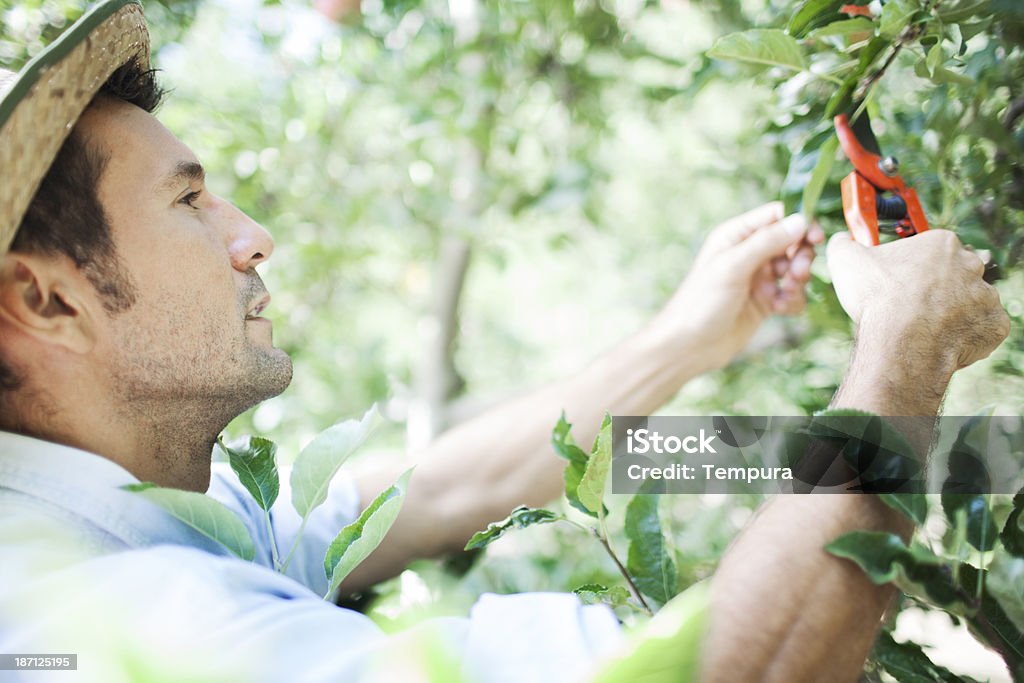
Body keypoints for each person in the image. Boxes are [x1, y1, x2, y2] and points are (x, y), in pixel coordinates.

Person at [0, 1, 1009, 681]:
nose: (251, 236)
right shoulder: (118, 623)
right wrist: (898, 355)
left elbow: (431, 490)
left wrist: (687, 338)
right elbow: (728, 663)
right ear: (45, 301)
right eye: (188, 202)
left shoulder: (131, 506)